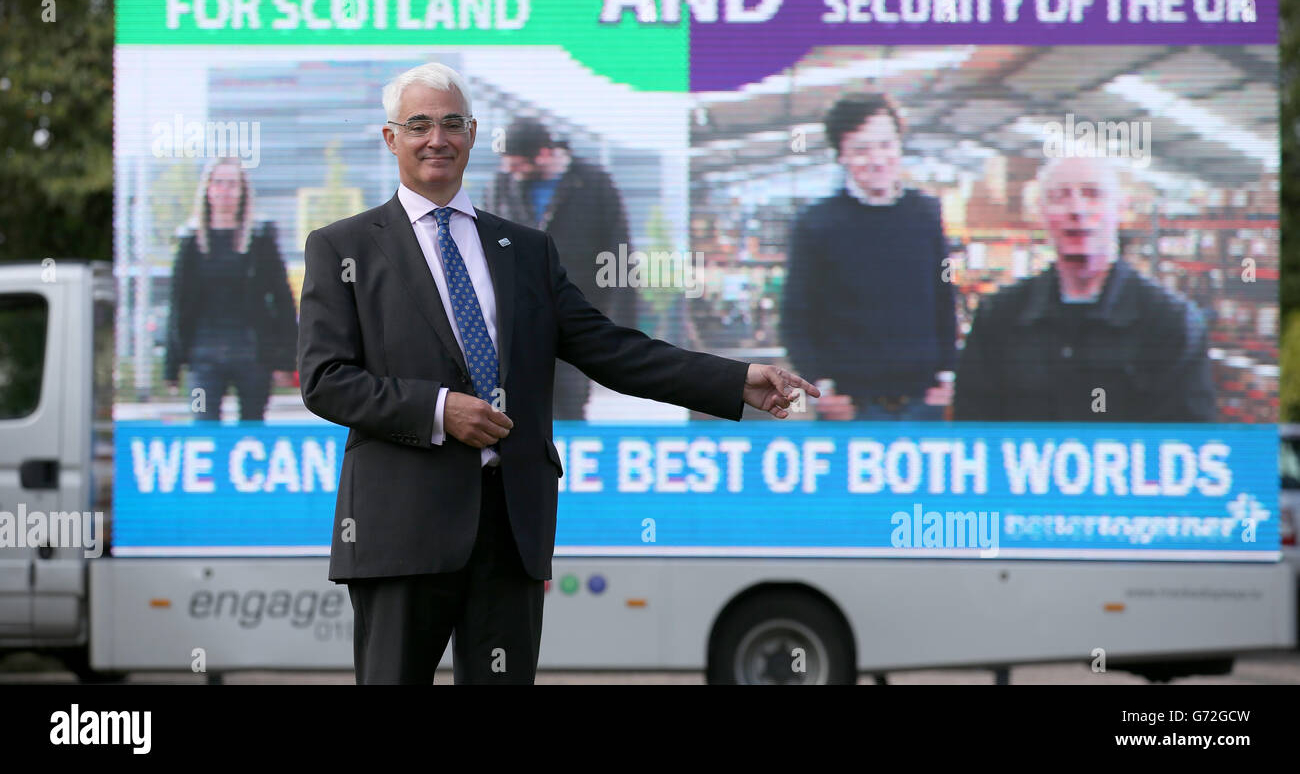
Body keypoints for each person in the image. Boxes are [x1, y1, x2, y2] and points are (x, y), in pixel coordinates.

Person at [296, 62, 818, 684]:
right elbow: (325, 379)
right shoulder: (343, 248)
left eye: (452, 124)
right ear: (391, 138)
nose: (437, 138)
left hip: (510, 530)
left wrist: (736, 379)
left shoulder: (524, 250)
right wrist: (440, 410)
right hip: (400, 531)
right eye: (419, 124)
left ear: (472, 133)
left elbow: (611, 349)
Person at [953, 157, 1215, 422]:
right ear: (1041, 213)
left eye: (1092, 194)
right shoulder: (998, 317)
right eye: (1060, 197)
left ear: (1120, 209)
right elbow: (973, 431)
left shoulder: (1170, 323)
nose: (1076, 209)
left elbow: (1187, 443)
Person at [781, 91, 957, 421]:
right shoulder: (817, 223)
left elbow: (944, 299)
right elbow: (795, 318)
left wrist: (949, 375)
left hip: (924, 404)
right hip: (851, 409)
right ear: (841, 155)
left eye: (886, 145)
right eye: (861, 149)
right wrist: (821, 388)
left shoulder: (926, 213)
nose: (877, 159)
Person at [489, 120, 637, 419]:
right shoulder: (502, 186)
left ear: (543, 154)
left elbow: (620, 251)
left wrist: (622, 326)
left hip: (575, 318)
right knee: (518, 407)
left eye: (517, 164)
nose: (511, 171)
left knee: (569, 404)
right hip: (517, 320)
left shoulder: (594, 183)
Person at [164, 157, 298, 421]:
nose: (225, 190)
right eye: (219, 183)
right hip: (203, 357)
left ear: (242, 192)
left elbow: (283, 300)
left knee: (252, 427)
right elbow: (178, 305)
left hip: (253, 356)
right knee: (202, 424)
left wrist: (285, 360)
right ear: (208, 190)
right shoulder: (190, 242)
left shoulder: (261, 239)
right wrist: (172, 366)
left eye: (232, 184)